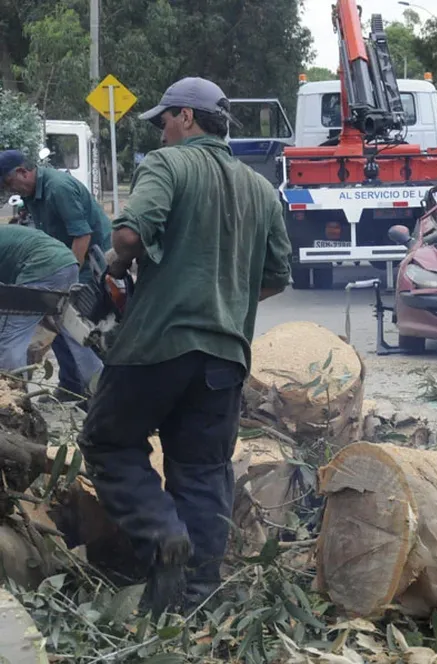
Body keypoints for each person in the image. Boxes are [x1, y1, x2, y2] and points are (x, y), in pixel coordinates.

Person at [77, 77, 293, 616]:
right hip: (225, 355)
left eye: (165, 120)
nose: (163, 131)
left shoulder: (167, 165)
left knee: (108, 441)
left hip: (157, 342)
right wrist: (225, 296)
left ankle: (161, 534)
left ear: (188, 119)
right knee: (201, 473)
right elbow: (276, 276)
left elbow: (128, 235)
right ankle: (196, 602)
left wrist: (119, 268)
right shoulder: (261, 190)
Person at [0, 149, 111, 399]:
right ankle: (77, 390)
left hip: (85, 261)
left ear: (23, 171)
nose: (10, 191)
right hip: (58, 260)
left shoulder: (58, 187)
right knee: (66, 328)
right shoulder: (31, 195)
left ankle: (11, 402)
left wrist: (66, 282)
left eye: (9, 183)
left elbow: (82, 235)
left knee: (14, 334)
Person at [0, 225, 103, 385]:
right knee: (73, 331)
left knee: (10, 334)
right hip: (66, 263)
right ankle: (99, 388)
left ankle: (11, 398)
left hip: (42, 266)